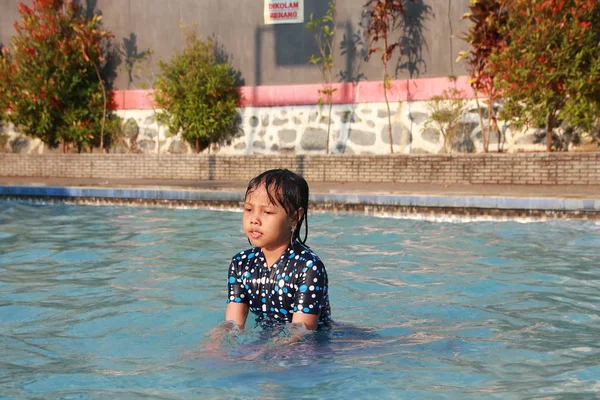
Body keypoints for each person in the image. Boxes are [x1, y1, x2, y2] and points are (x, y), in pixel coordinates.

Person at [224, 168, 331, 333]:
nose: (254, 219)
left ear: (294, 217)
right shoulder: (241, 264)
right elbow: (232, 324)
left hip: (313, 346)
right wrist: (214, 346)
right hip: (270, 340)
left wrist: (260, 352)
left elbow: (300, 332)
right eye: (248, 209)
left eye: (267, 212)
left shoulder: (308, 267)